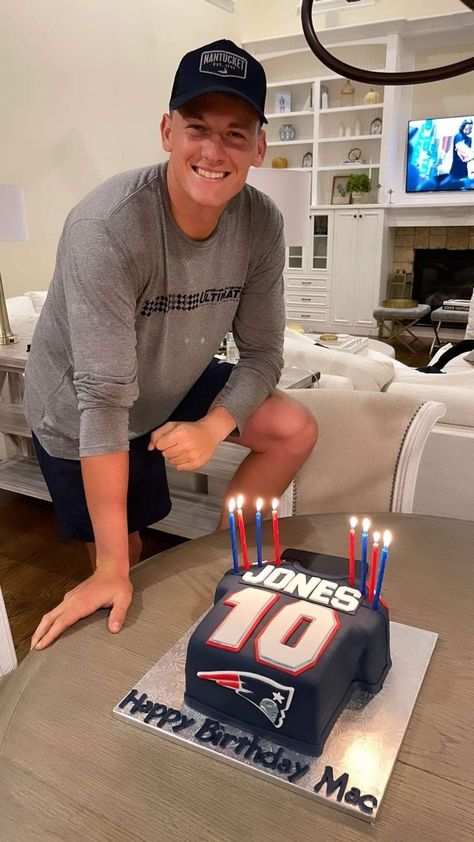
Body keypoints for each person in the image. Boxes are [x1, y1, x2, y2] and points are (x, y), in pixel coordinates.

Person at [24, 39, 318, 651]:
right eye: (197, 128)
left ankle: (230, 558)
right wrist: (109, 569)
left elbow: (263, 353)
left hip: (172, 380)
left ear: (259, 147)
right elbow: (103, 399)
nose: (214, 151)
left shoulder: (261, 222)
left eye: (236, 134)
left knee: (291, 427)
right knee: (124, 559)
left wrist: (214, 425)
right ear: (167, 131)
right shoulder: (106, 227)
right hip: (80, 410)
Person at [449, 117, 474, 182]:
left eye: (470, 128)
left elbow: (468, 157)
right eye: (467, 127)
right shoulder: (459, 136)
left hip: (465, 171)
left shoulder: (469, 139)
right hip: (455, 171)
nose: (469, 130)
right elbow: (462, 150)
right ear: (463, 126)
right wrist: (470, 155)